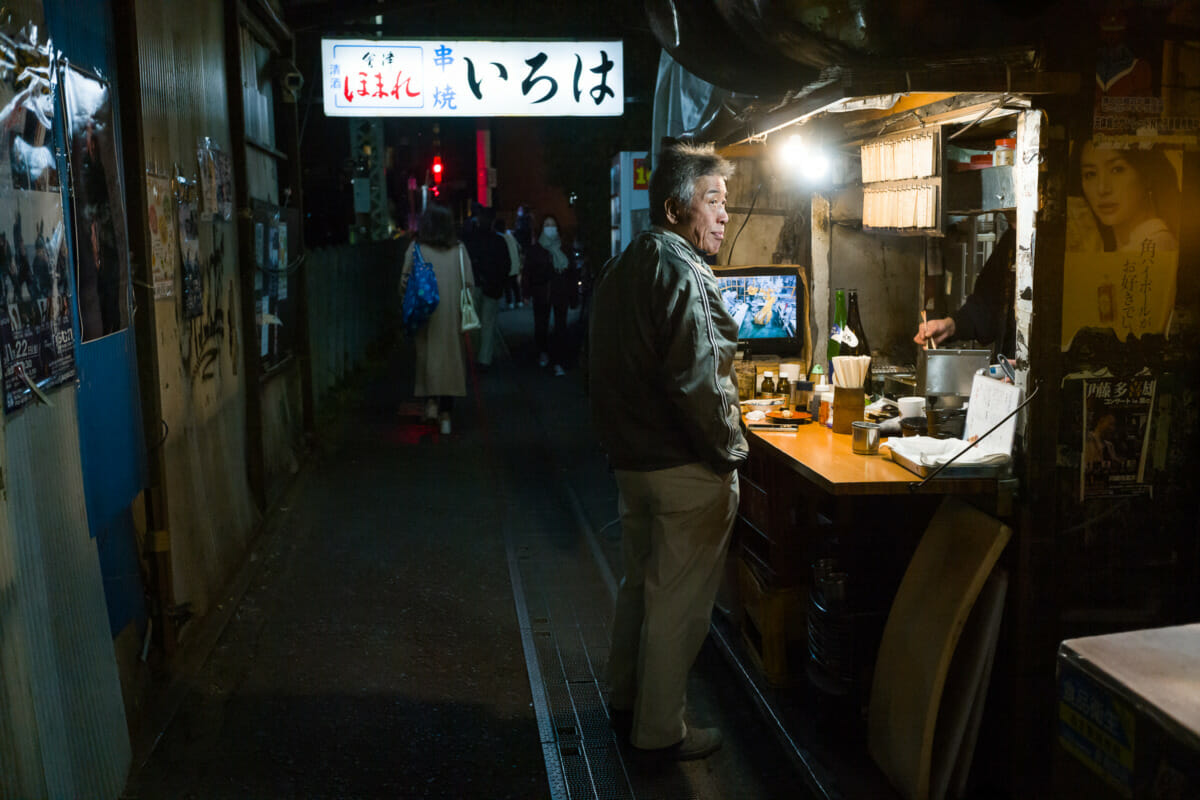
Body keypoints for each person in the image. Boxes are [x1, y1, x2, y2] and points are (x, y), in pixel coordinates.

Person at [588, 141, 748, 761]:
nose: (723, 215)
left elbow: (595, 370)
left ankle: (624, 701)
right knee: (676, 605)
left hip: (632, 466)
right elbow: (702, 380)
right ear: (677, 206)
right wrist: (730, 454)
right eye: (713, 201)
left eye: (725, 203)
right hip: (684, 470)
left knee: (640, 589)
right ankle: (660, 734)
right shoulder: (684, 271)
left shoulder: (621, 267)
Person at [399, 203, 473, 435]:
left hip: (424, 314)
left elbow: (404, 282)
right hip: (451, 316)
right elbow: (468, 283)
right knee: (450, 361)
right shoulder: (459, 250)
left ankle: (430, 405)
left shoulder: (415, 249)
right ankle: (446, 415)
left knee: (426, 358)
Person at [914, 211, 1017, 357]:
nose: (1009, 218)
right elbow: (985, 308)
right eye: (1007, 213)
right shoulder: (1011, 240)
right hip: (1006, 372)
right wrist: (950, 326)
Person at [1075, 140, 1179, 254]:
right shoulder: (1122, 247)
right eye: (1090, 174)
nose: (1102, 189)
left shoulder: (1156, 244)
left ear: (1146, 175)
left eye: (1117, 170)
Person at [524, 215, 574, 375]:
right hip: (541, 292)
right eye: (547, 224)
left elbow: (572, 273)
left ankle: (559, 360)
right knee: (541, 325)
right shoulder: (536, 249)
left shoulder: (565, 248)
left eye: (552, 224)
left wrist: (574, 295)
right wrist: (526, 293)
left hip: (561, 292)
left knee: (561, 327)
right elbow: (528, 272)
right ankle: (542, 352)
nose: (550, 227)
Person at [461, 206, 509, 370]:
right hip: (493, 286)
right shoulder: (498, 241)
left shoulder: (471, 239)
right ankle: (484, 359)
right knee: (488, 323)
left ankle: (475, 355)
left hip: (474, 284)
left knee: (473, 323)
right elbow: (505, 265)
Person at [495, 216, 523, 309]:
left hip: (507, 265)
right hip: (515, 264)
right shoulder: (510, 235)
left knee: (507, 285)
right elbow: (519, 247)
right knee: (515, 285)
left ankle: (510, 302)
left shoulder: (499, 238)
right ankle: (519, 301)